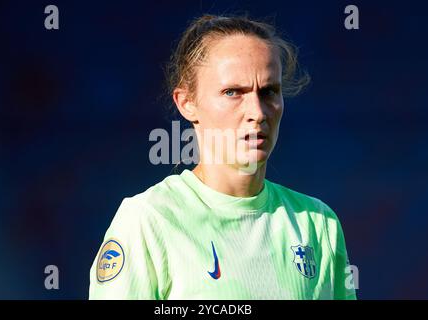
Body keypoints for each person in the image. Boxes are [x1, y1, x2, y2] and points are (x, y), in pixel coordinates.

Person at [89, 13, 357, 300]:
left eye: (269, 91)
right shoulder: (148, 221)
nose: (257, 112)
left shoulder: (317, 224)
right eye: (232, 92)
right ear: (187, 103)